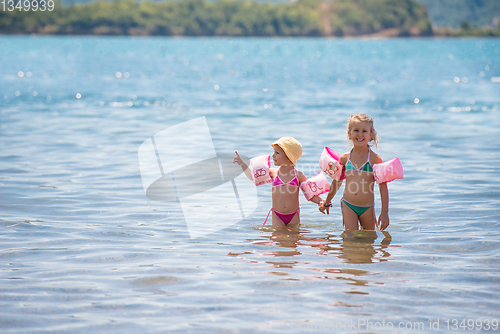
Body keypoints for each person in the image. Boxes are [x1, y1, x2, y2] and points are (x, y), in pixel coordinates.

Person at [318, 114, 389, 231]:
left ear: (371, 134)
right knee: (350, 237)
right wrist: (326, 202)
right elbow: (337, 182)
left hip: (367, 207)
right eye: (356, 130)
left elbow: (383, 187)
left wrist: (384, 212)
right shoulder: (345, 158)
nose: (360, 134)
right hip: (348, 204)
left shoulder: (374, 159)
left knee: (369, 239)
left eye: (364, 131)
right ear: (349, 133)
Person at [233, 137, 322, 227]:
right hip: (277, 215)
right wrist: (241, 163)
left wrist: (320, 202)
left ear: (288, 157)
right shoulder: (273, 173)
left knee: (294, 239)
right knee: (278, 238)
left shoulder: (298, 176)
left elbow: (309, 194)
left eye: (277, 153)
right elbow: (253, 176)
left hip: (293, 215)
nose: (273, 156)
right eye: (274, 152)